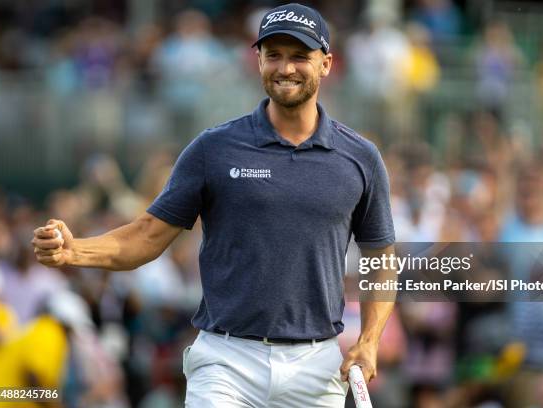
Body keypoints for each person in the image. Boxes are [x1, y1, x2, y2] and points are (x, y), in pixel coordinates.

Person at [32, 3, 396, 407]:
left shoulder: (361, 158)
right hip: (226, 361)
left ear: (326, 64)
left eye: (299, 56)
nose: (285, 68)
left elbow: (381, 257)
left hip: (317, 363)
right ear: (257, 60)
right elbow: (148, 237)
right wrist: (75, 250)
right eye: (273, 55)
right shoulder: (213, 149)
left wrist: (369, 341)